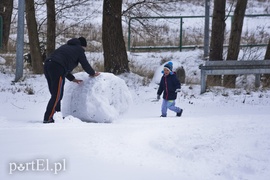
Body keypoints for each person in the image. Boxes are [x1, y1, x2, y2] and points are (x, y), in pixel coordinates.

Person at [43, 37, 100, 123]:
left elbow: (63, 64)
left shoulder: (66, 47)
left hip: (48, 65)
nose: (84, 50)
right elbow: (84, 63)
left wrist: (72, 79)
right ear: (82, 46)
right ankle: (48, 117)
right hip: (57, 67)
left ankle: (56, 116)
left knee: (56, 94)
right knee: (57, 95)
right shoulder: (79, 49)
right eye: (85, 48)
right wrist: (92, 73)